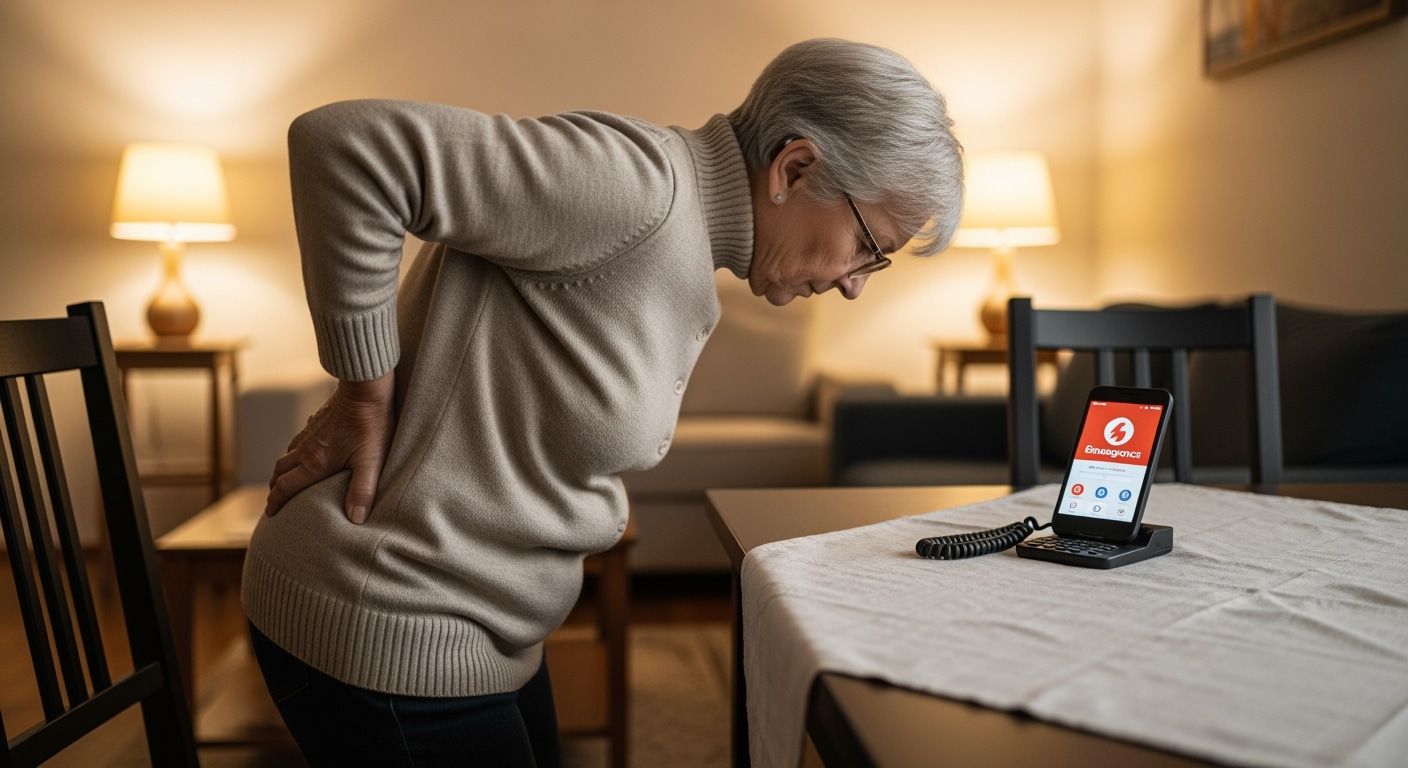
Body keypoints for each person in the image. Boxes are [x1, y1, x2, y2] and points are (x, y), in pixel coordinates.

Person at [243, 37, 963, 766]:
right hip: (384, 614)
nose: (855, 283)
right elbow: (346, 147)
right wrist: (362, 391)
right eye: (869, 245)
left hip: (483, 632)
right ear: (794, 169)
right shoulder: (635, 187)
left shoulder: (683, 240)